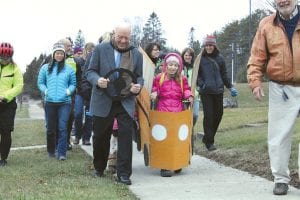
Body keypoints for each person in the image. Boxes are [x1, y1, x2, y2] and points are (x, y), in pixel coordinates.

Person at [247, 0, 300, 195]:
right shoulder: (266, 24)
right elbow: (257, 56)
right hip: (281, 87)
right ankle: (280, 179)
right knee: (278, 136)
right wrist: (255, 81)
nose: (283, 1)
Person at [86, 22, 143, 185]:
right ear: (113, 34)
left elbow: (139, 76)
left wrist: (137, 86)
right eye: (120, 37)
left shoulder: (135, 54)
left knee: (125, 138)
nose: (123, 41)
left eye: (127, 37)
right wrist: (98, 81)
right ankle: (99, 168)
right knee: (100, 137)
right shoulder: (100, 49)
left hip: (125, 101)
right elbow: (90, 72)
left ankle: (124, 173)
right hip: (103, 99)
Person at [150, 52, 193, 177]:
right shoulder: (159, 77)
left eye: (175, 65)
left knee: (178, 138)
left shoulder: (182, 79)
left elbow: (186, 90)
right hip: (163, 111)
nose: (173, 67)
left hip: (178, 112)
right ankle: (165, 166)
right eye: (170, 65)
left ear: (178, 67)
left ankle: (177, 162)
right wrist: (154, 94)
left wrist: (189, 96)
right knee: (164, 139)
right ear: (166, 65)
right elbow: (155, 89)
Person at [196, 35, 237, 152]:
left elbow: (224, 74)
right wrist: (201, 84)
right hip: (206, 92)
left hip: (218, 91)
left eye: (211, 45)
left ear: (214, 46)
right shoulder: (200, 59)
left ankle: (207, 137)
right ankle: (209, 142)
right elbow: (197, 75)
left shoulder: (220, 58)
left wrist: (230, 86)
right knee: (209, 116)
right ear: (204, 46)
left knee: (218, 115)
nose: (209, 47)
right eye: (207, 45)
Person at [37, 42, 76, 160]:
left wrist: (69, 91)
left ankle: (62, 153)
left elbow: (73, 84)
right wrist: (46, 91)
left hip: (65, 102)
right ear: (53, 54)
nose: (59, 55)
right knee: (50, 128)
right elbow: (40, 83)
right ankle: (51, 151)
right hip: (50, 102)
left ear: (64, 55)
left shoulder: (69, 69)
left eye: (61, 54)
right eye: (57, 53)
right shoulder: (45, 68)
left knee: (63, 127)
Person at [0, 42, 24, 166]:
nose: (5, 60)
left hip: (7, 104)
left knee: (5, 131)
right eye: (2, 57)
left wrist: (5, 96)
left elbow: (19, 86)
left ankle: (3, 158)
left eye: (7, 58)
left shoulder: (15, 69)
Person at [58, 38, 82, 150]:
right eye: (68, 46)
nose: (70, 48)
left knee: (69, 118)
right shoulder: (51, 58)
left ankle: (66, 141)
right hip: (55, 95)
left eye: (71, 46)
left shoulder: (75, 61)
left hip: (69, 95)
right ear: (61, 46)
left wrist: (77, 87)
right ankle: (57, 142)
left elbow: (79, 76)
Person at [73, 42, 95, 146]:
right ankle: (77, 136)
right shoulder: (78, 62)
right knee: (78, 114)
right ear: (85, 50)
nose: (91, 52)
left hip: (90, 94)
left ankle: (87, 138)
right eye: (89, 50)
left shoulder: (95, 63)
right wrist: (78, 87)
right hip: (79, 92)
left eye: (92, 50)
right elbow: (75, 77)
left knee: (89, 117)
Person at [181, 47, 200, 127]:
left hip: (194, 96)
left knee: (195, 115)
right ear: (183, 56)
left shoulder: (196, 67)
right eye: (186, 55)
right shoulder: (179, 67)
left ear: (192, 57)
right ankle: (185, 133)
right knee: (183, 115)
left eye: (190, 55)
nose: (188, 57)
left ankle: (191, 129)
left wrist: (198, 90)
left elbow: (199, 81)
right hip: (183, 97)